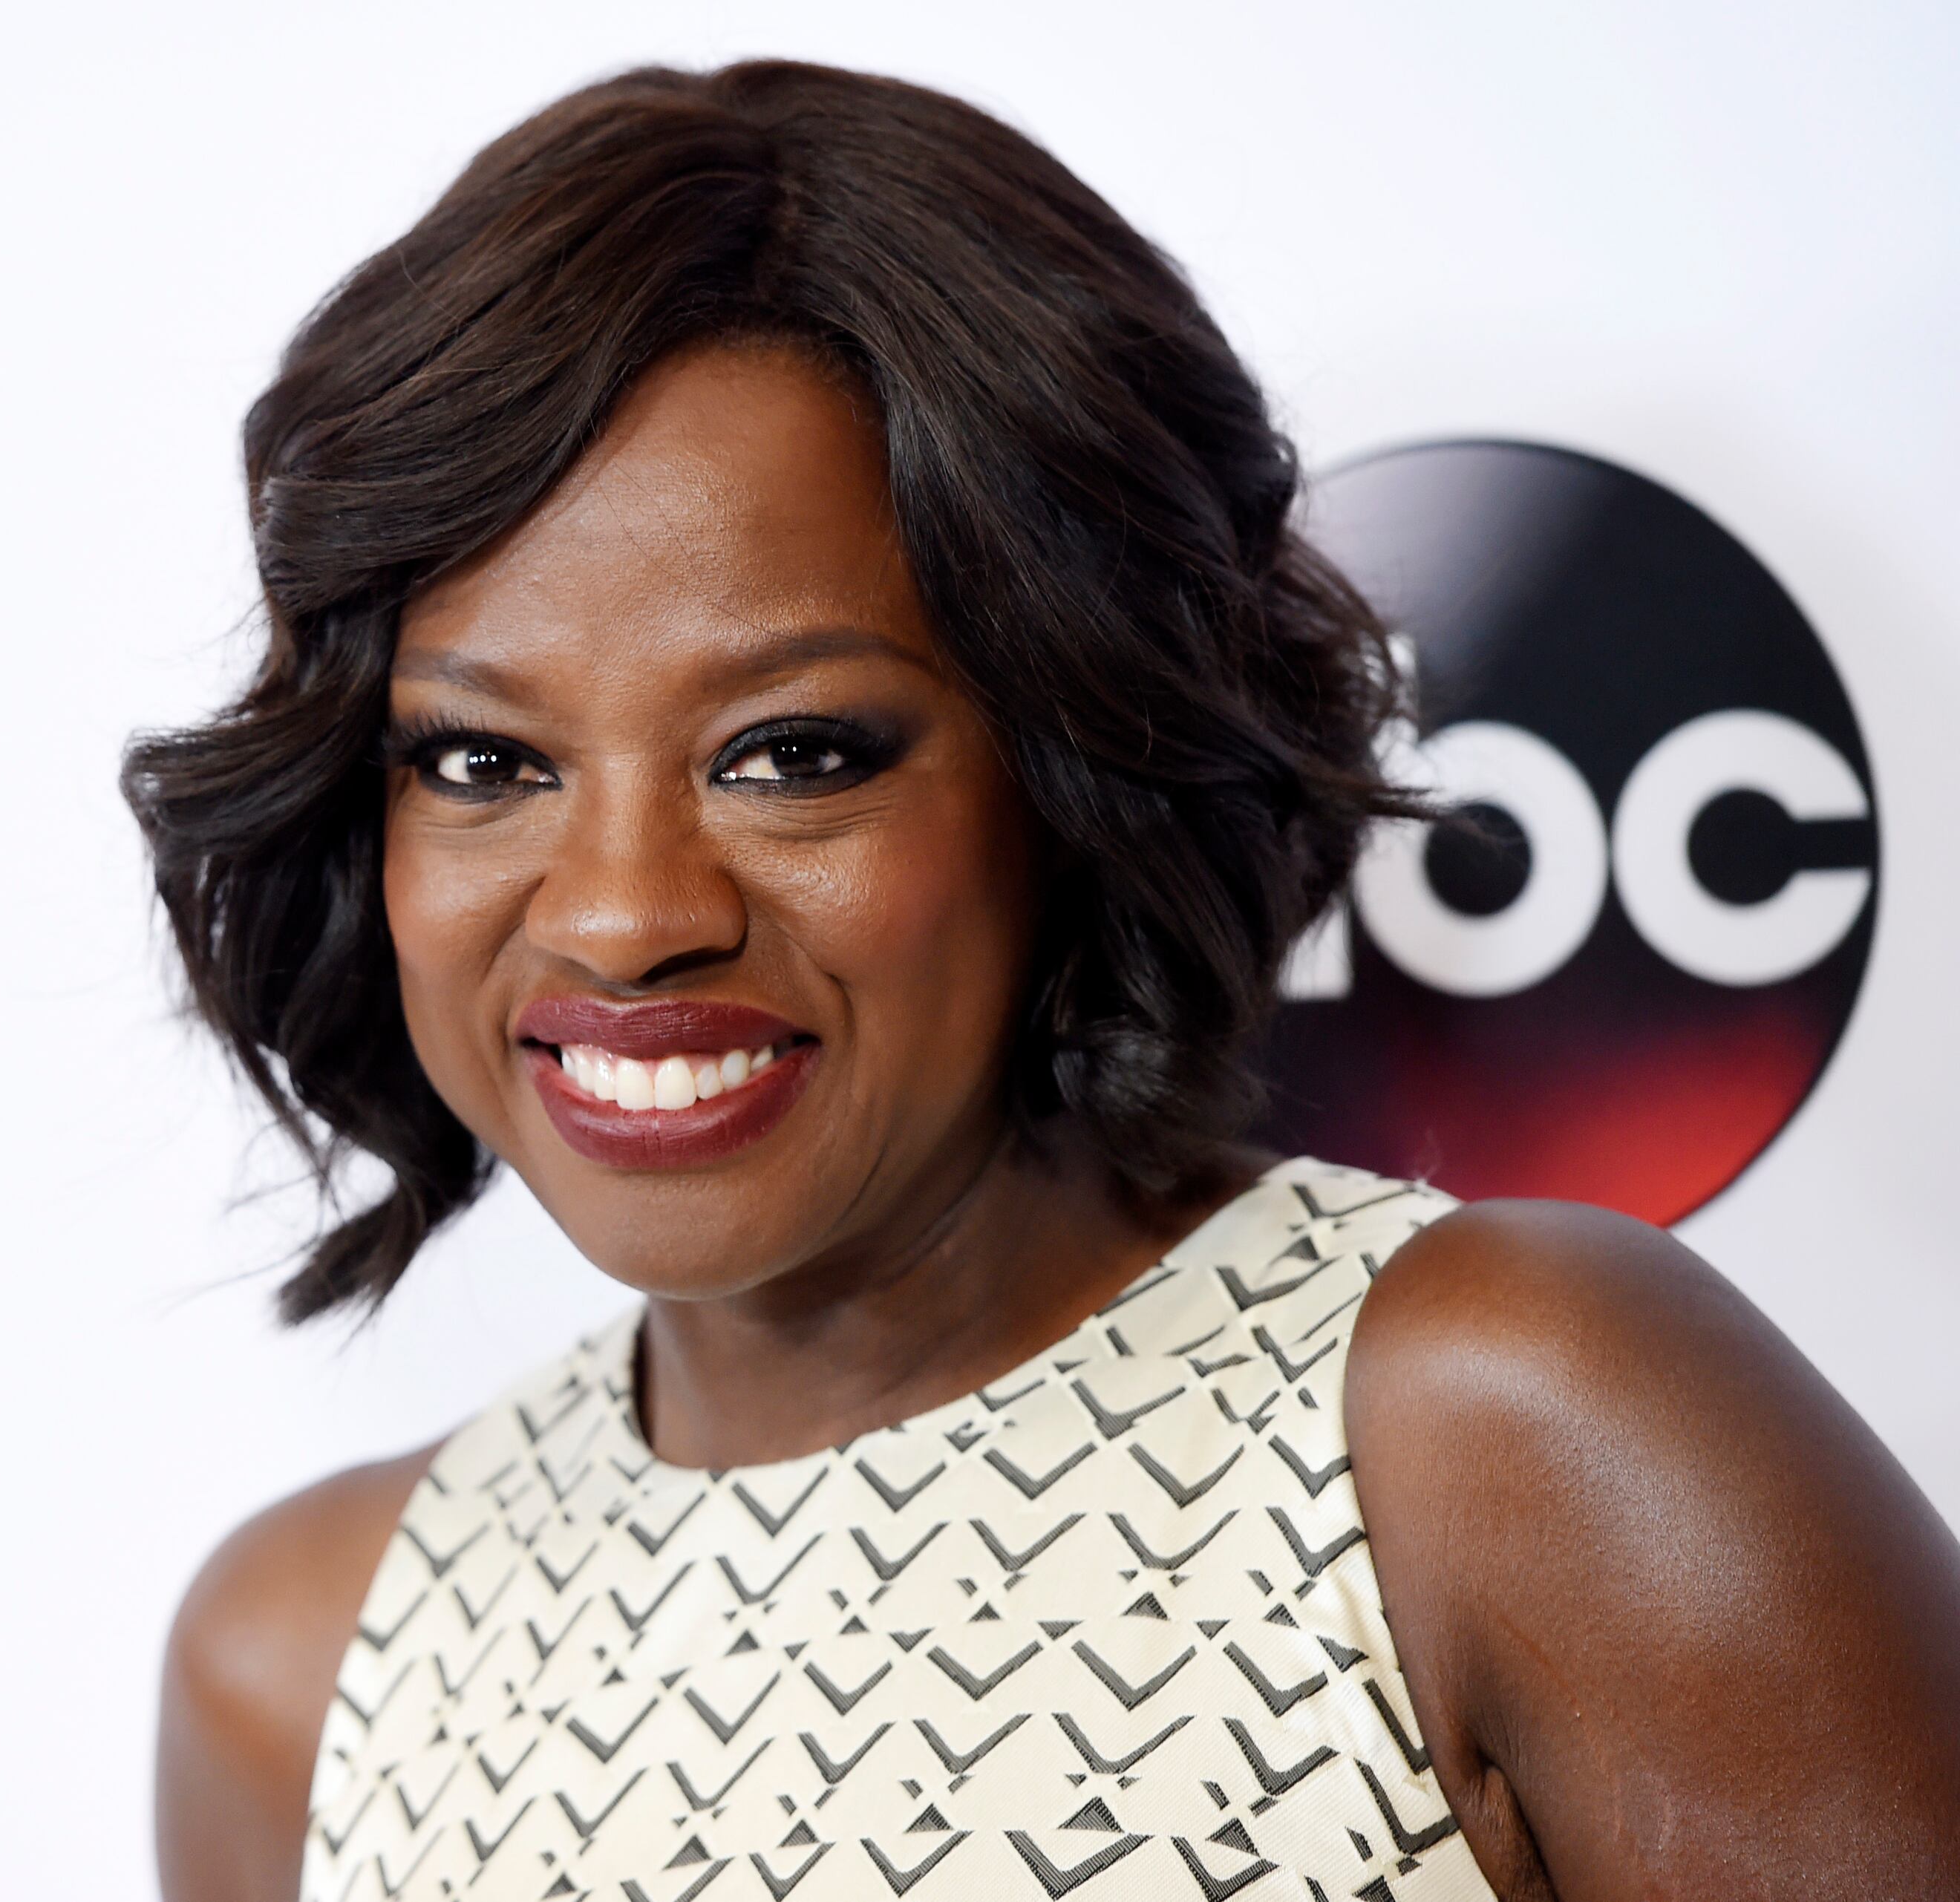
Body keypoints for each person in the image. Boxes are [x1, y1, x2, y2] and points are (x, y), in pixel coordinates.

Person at [124, 60, 1960, 1902]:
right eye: (480, 763)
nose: (621, 916)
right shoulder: (310, 1666)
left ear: (1076, 764)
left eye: (796, 752)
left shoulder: (1497, 1432)